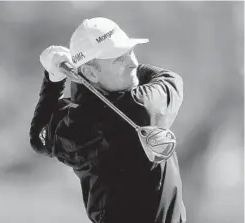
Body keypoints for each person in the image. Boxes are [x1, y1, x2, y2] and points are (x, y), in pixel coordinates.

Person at [29, 17, 186, 223]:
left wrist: (54, 79)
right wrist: (74, 72)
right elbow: (171, 79)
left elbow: (38, 139)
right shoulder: (140, 107)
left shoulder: (72, 125)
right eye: (119, 58)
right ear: (90, 73)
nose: (134, 63)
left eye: (130, 52)